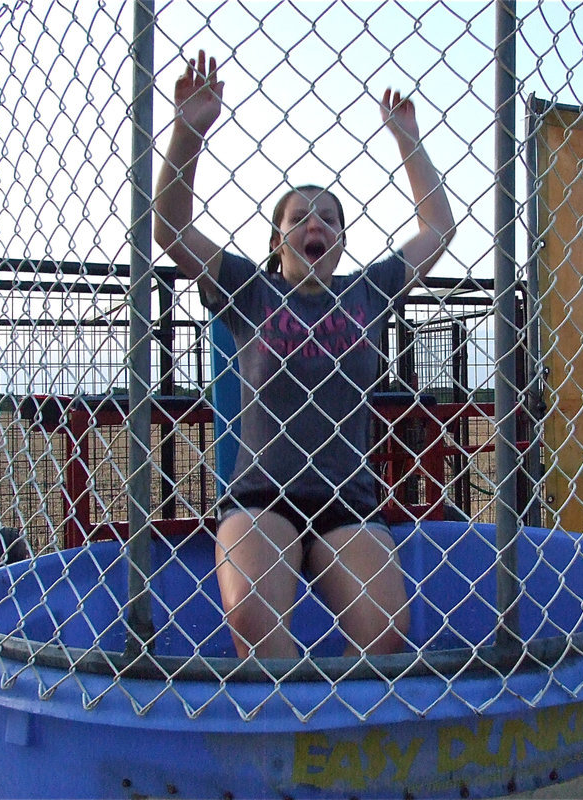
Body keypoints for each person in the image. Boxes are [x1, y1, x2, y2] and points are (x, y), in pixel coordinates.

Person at [153, 50, 455, 659]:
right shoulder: (249, 288)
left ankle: (338, 744)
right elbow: (170, 226)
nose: (315, 222)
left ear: (340, 238)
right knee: (254, 619)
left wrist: (407, 140)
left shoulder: (367, 292)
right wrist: (188, 131)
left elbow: (440, 229)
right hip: (262, 494)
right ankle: (282, 738)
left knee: (386, 634)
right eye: (300, 216)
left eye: (329, 217)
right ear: (278, 237)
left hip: (348, 499)